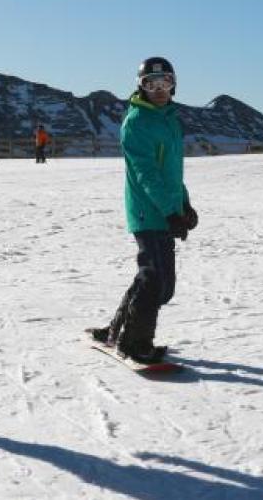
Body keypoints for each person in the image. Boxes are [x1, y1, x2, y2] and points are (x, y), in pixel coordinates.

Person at [88, 57, 199, 363]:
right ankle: (134, 343)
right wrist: (169, 211)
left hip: (164, 208)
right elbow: (146, 173)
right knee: (155, 280)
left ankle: (116, 329)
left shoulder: (170, 119)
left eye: (166, 83)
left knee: (157, 283)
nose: (160, 89)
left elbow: (172, 172)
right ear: (142, 87)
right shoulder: (136, 122)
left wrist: (183, 204)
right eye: (152, 84)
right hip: (146, 211)